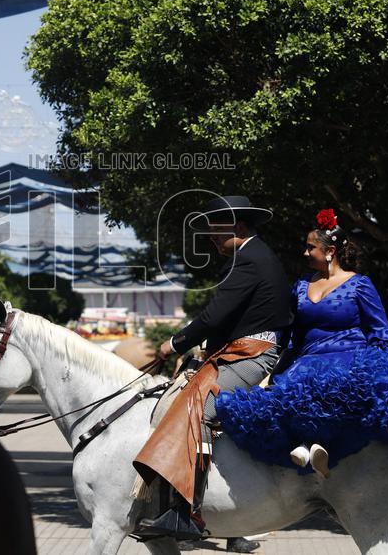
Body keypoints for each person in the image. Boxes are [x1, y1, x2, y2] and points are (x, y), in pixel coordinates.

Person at [215, 209, 388, 491]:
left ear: (330, 251)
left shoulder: (359, 285)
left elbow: (379, 329)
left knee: (372, 399)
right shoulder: (300, 286)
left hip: (350, 360)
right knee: (285, 398)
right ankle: (309, 446)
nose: (304, 253)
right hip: (307, 361)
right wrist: (272, 362)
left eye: (310, 247)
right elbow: (290, 332)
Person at [133, 195, 292, 547]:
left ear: (237, 225)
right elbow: (231, 318)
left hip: (254, 354)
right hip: (236, 349)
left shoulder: (249, 260)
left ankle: (186, 512)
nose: (209, 236)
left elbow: (215, 315)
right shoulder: (249, 256)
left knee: (199, 407)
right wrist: (202, 350)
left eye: (215, 228)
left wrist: (174, 343)